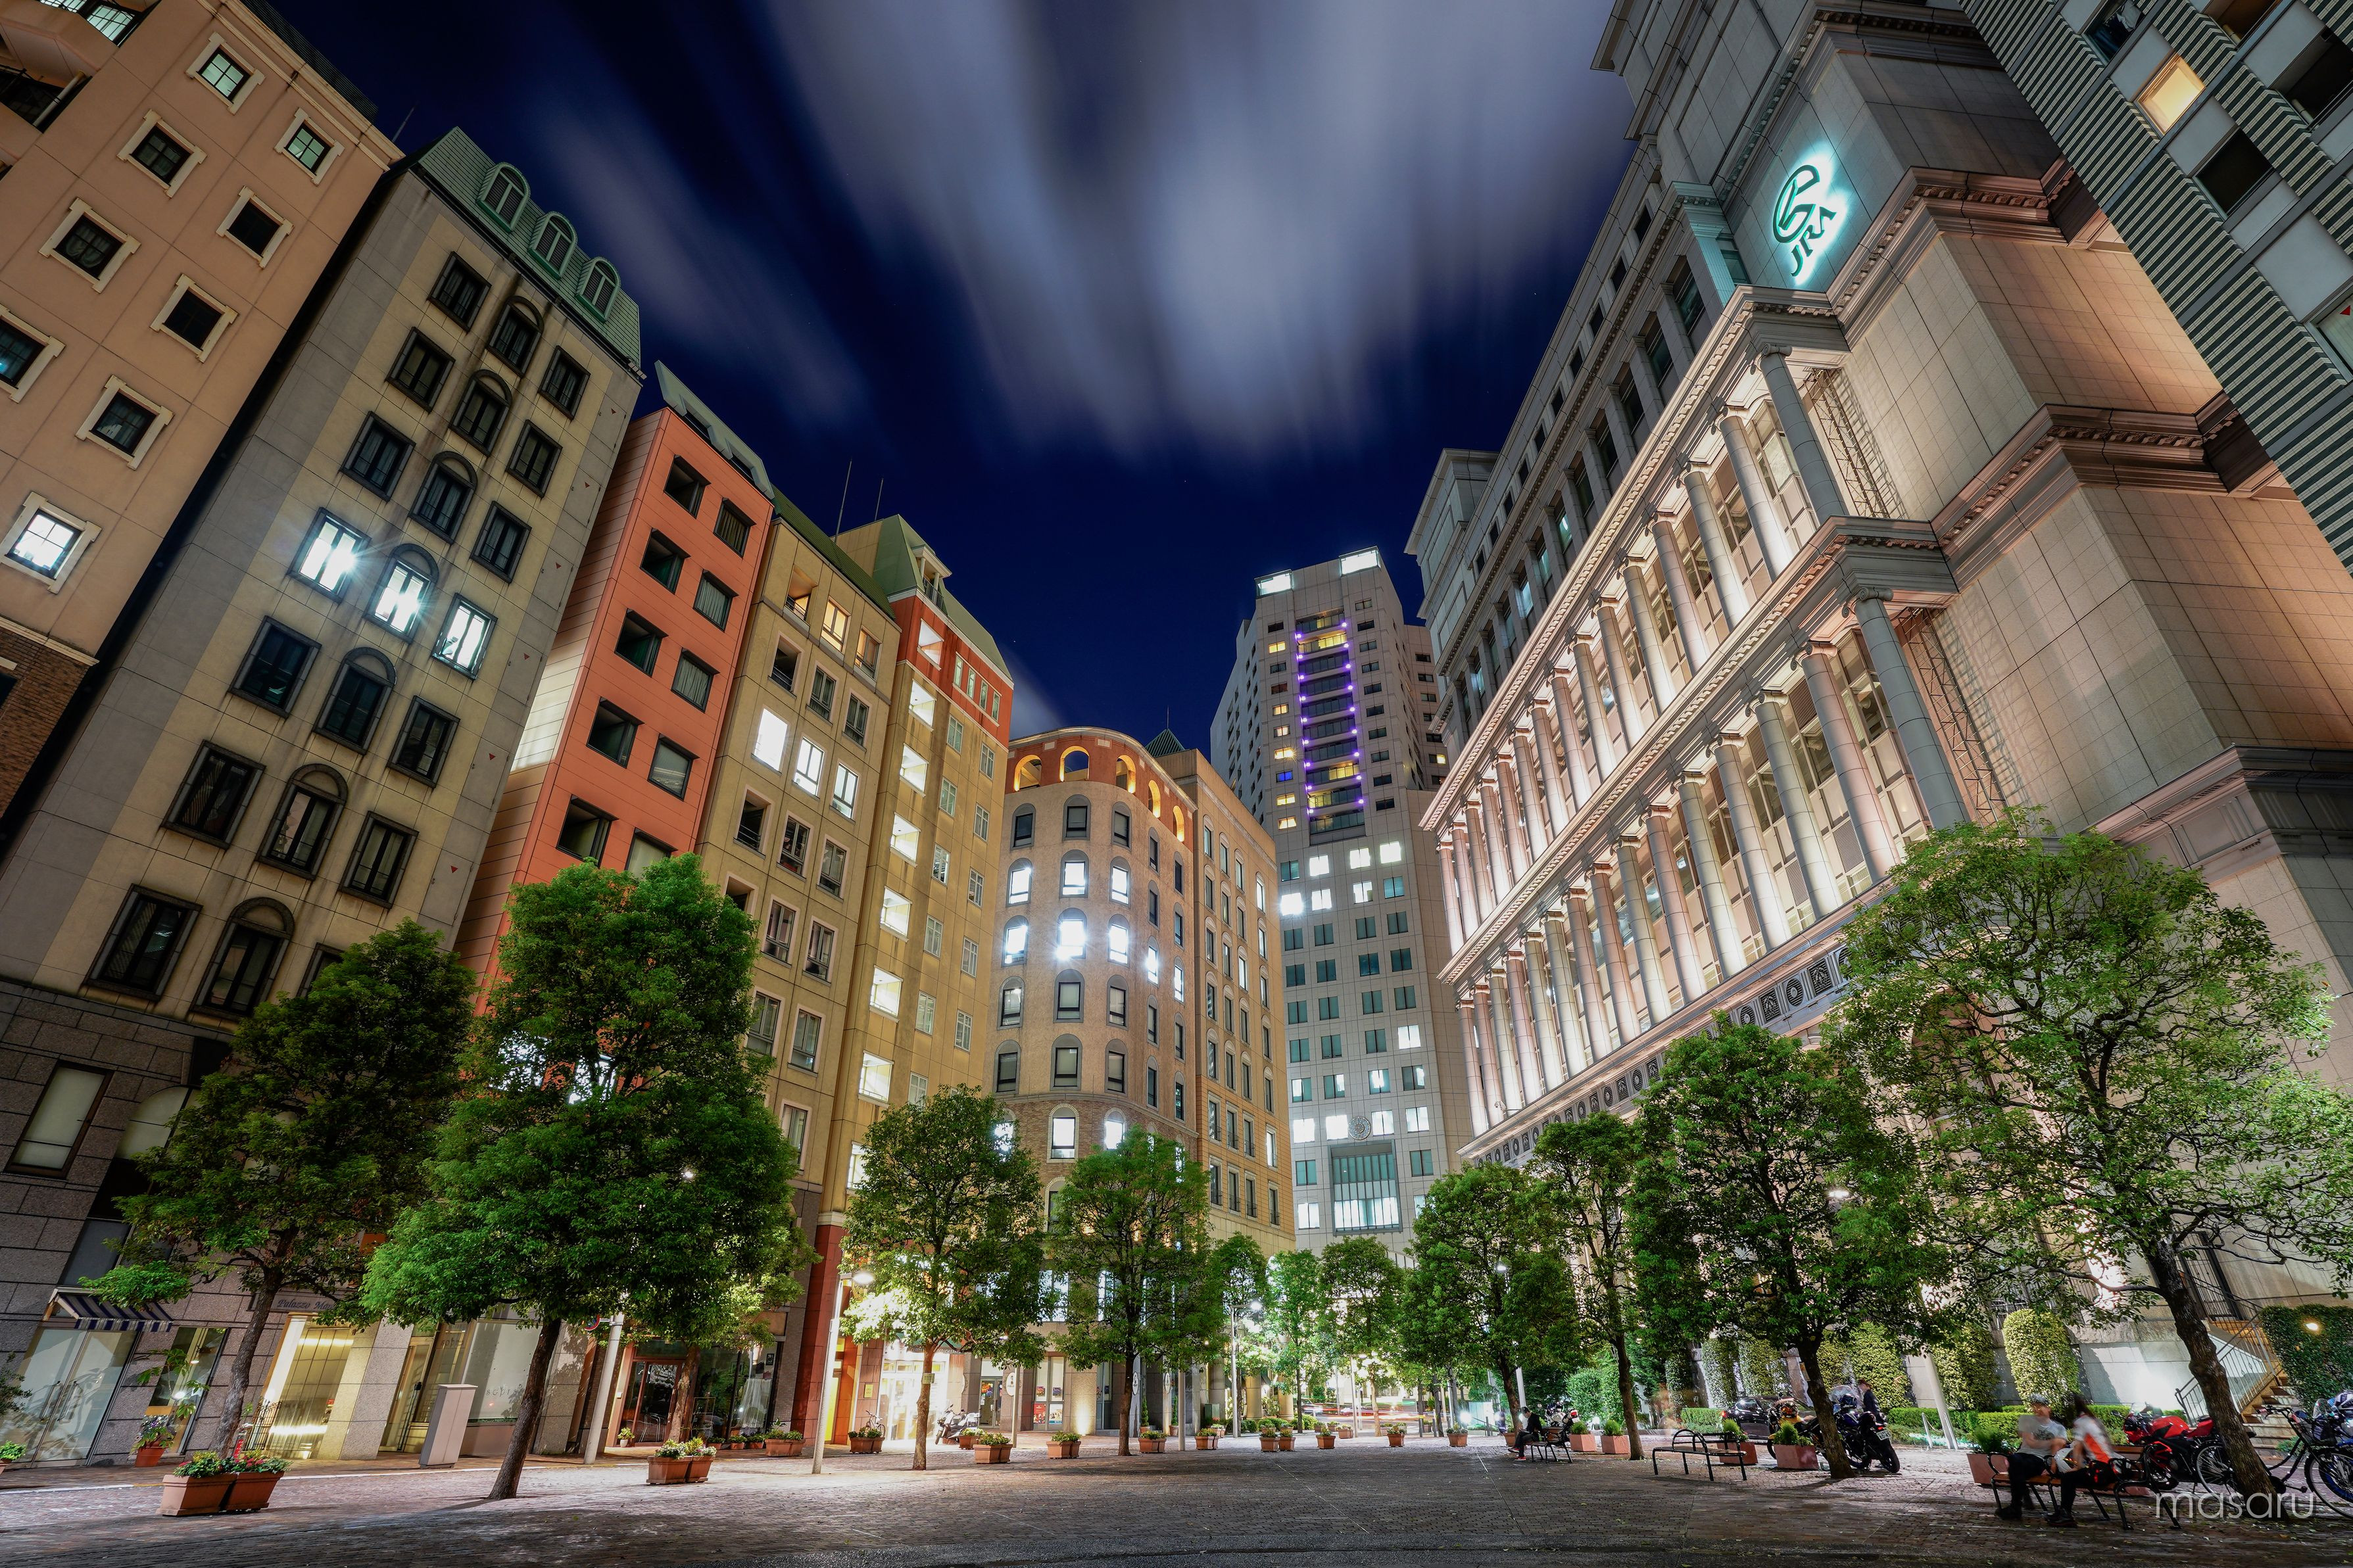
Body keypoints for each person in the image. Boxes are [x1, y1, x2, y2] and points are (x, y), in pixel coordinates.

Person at [2046, 1393, 2116, 1528]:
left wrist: (2077, 1467)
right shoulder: (2092, 1420)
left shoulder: (2081, 1422)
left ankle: (2065, 1515)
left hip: (2101, 1471)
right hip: (2109, 1469)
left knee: (2068, 1478)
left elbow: (2077, 1447)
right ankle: (2063, 1512)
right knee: (2070, 1477)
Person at [1996, 1397, 2068, 1519]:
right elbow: (2031, 1443)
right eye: (2034, 1407)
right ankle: (2020, 1498)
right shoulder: (2028, 1421)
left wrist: (2053, 1467)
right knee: (2014, 1460)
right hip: (2022, 1456)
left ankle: (2016, 1506)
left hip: (2040, 1460)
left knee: (2015, 1466)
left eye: (2040, 1407)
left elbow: (2058, 1449)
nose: (2037, 1410)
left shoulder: (2059, 1428)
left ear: (2049, 1408)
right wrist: (2052, 1441)